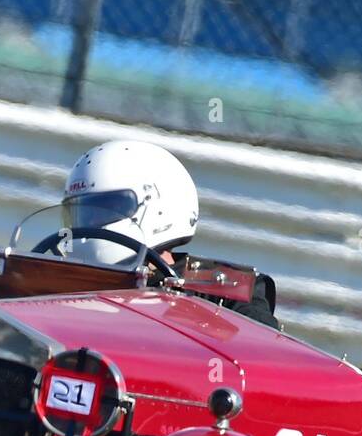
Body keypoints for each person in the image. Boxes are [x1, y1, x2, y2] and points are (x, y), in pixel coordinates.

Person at [61, 140, 279, 329]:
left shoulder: (225, 290)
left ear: (158, 204)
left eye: (106, 208)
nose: (88, 225)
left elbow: (264, 361)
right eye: (83, 214)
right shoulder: (65, 288)